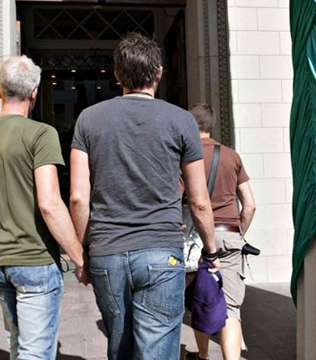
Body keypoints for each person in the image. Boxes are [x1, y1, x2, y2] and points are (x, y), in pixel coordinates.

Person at [69, 32, 220, 360]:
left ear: (118, 74)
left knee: (120, 348)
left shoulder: (88, 120)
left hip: (107, 251)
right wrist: (210, 251)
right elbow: (198, 200)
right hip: (161, 251)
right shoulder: (181, 120)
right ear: (159, 73)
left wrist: (81, 253)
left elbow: (79, 198)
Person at [0, 55, 89, 360]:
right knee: (35, 352)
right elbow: (50, 203)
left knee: (18, 343)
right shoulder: (41, 135)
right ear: (34, 94)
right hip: (34, 260)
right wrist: (80, 258)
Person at [185, 103, 256, 360]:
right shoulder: (232, 156)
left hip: (196, 240)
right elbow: (250, 204)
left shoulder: (186, 156)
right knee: (232, 309)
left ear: (191, 126)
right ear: (211, 125)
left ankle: (203, 356)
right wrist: (238, 234)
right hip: (230, 235)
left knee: (199, 301)